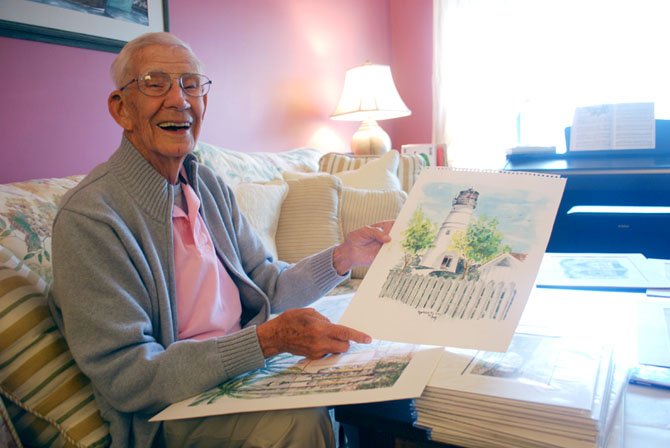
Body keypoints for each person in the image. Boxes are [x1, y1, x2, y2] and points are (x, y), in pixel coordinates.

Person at [48, 32, 392, 448]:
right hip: (170, 409)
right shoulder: (91, 216)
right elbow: (129, 374)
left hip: (245, 370)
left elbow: (266, 285)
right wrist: (267, 340)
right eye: (156, 83)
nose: (179, 100)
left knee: (373, 375)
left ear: (204, 101)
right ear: (121, 109)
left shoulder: (206, 184)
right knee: (296, 424)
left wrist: (342, 256)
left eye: (191, 84)